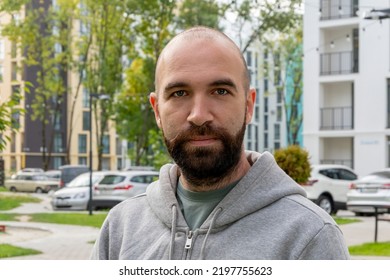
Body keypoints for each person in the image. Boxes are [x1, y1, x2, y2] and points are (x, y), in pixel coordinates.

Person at [90, 26, 350, 260]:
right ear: (157, 111)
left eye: (220, 91)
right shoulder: (120, 229)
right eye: (179, 93)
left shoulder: (310, 235)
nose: (199, 115)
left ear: (248, 105)